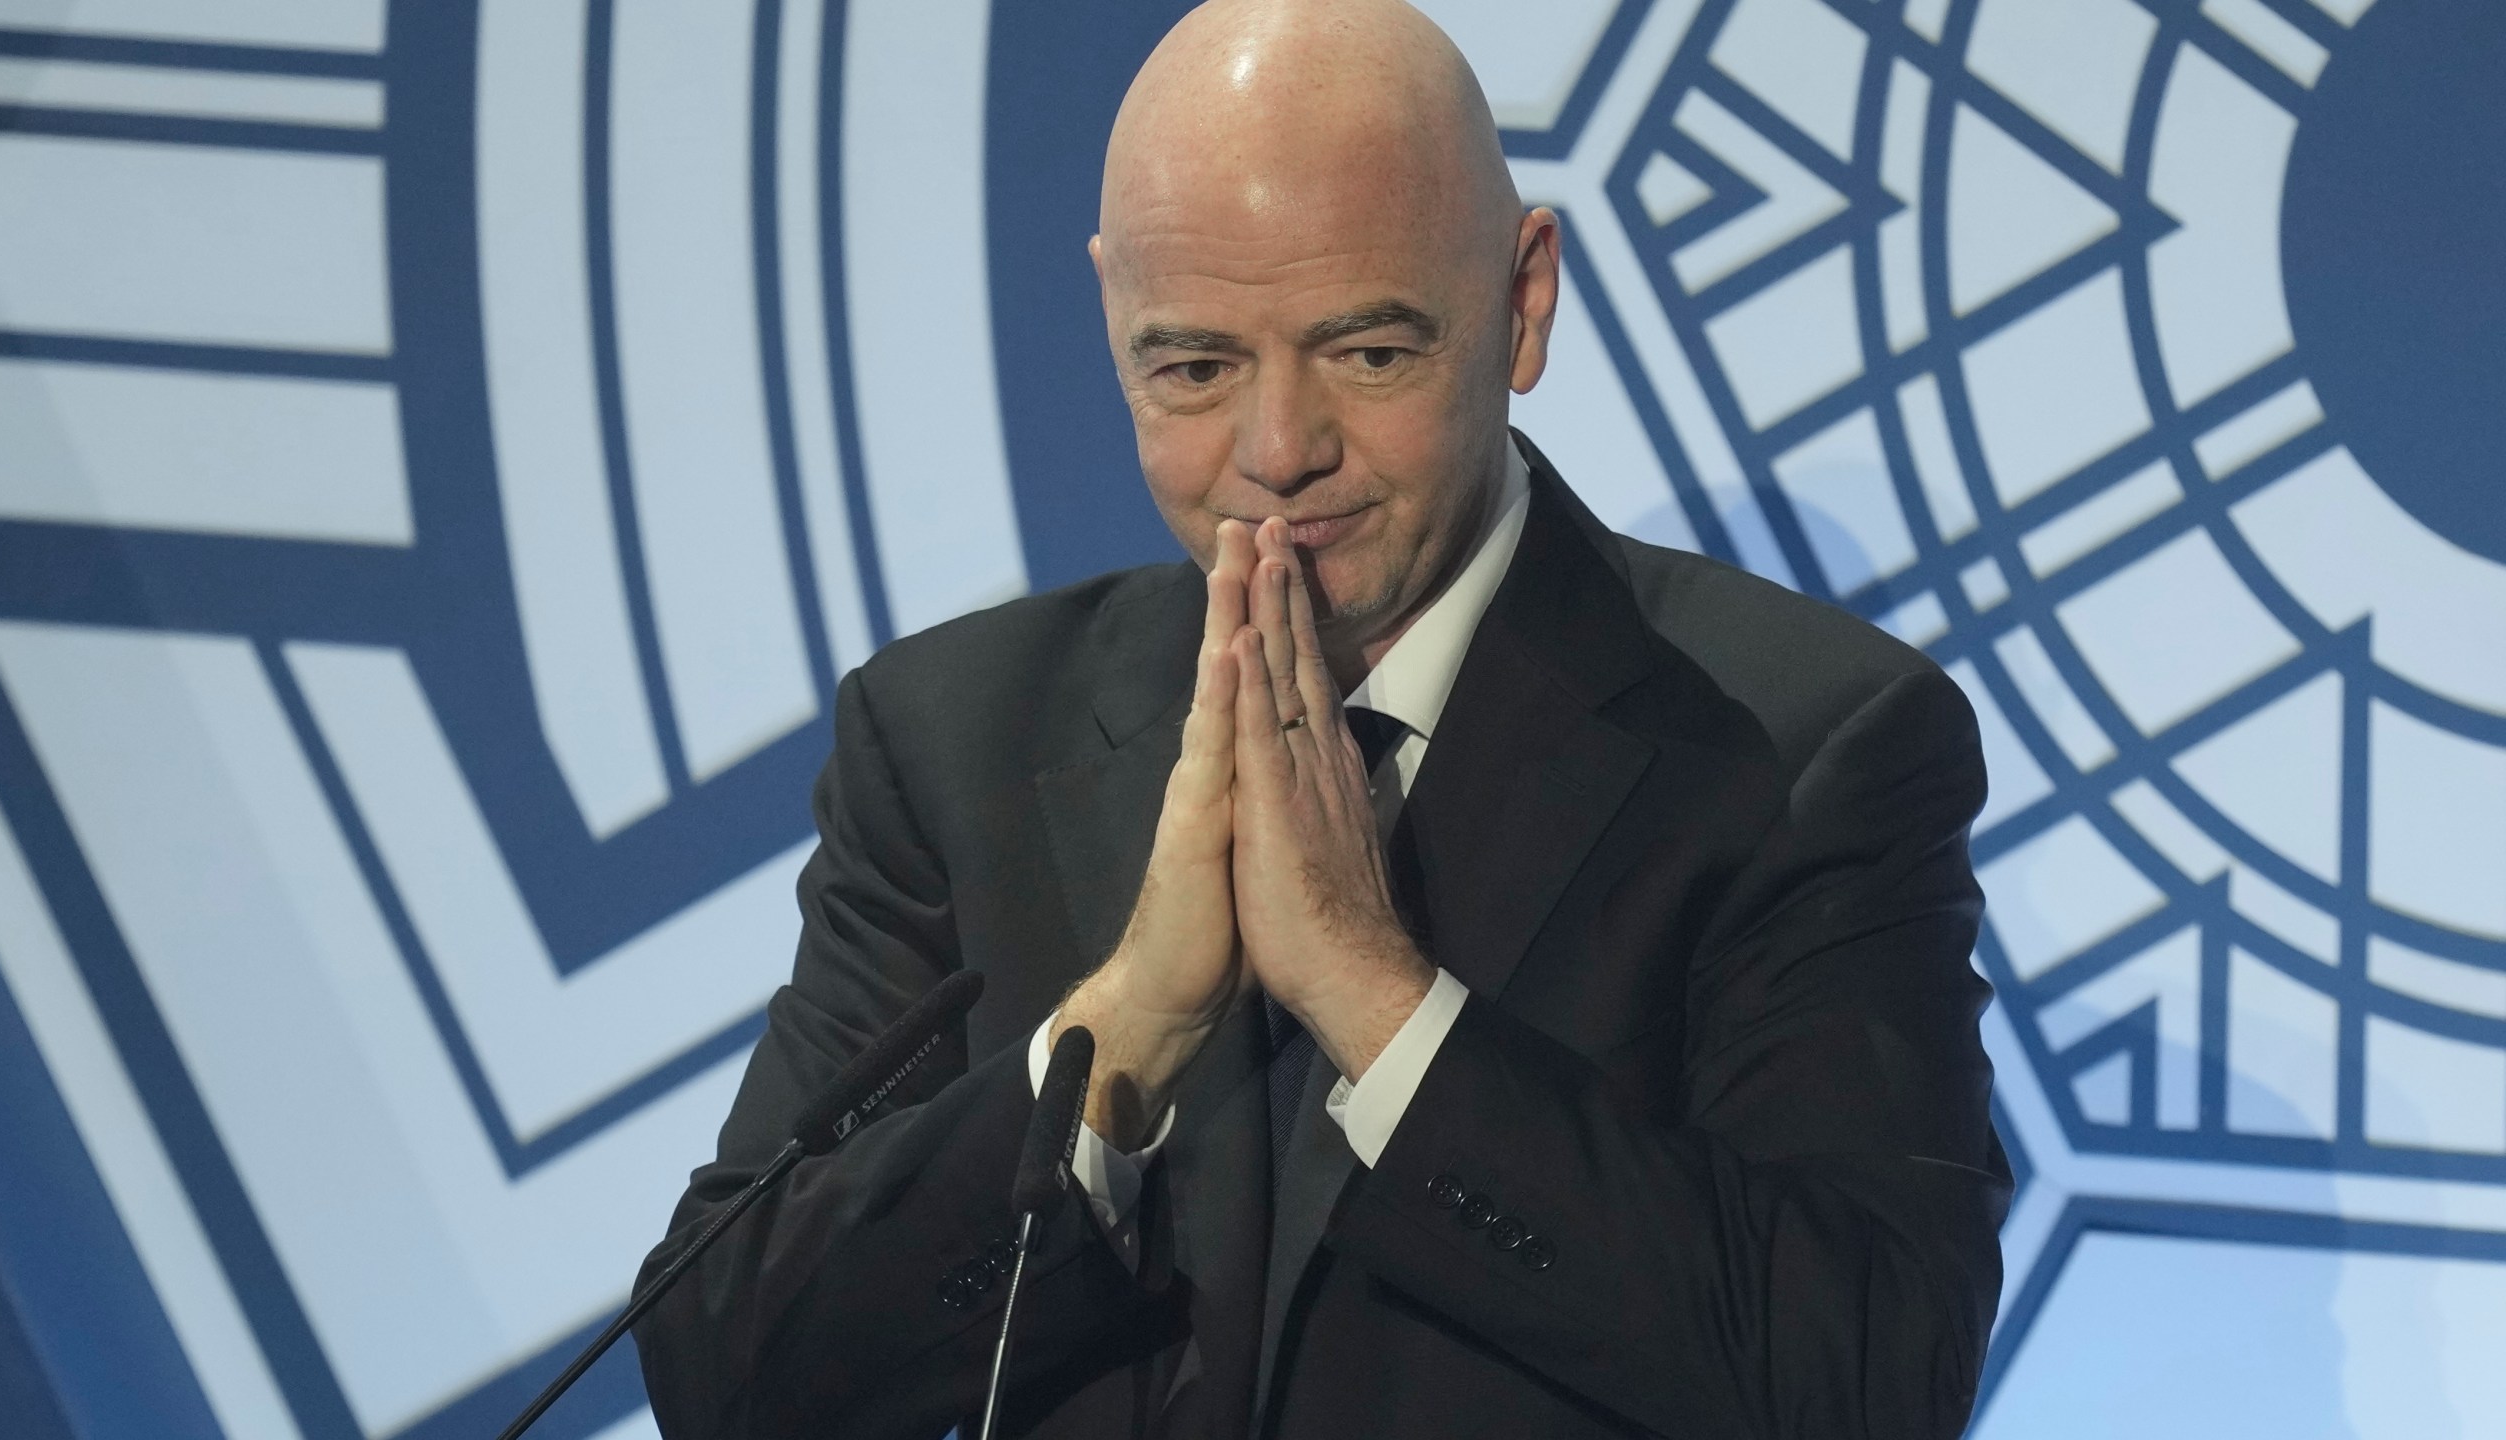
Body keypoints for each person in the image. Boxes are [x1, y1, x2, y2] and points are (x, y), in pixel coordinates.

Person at [633, 0, 2008, 1434]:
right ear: (1113, 319)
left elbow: (1867, 1378)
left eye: (1368, 353)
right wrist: (1126, 1026)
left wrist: (1379, 1000)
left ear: (1524, 301)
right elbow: (727, 1373)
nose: (1278, 453)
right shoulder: (949, 740)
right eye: (1195, 368)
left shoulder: (1807, 750)